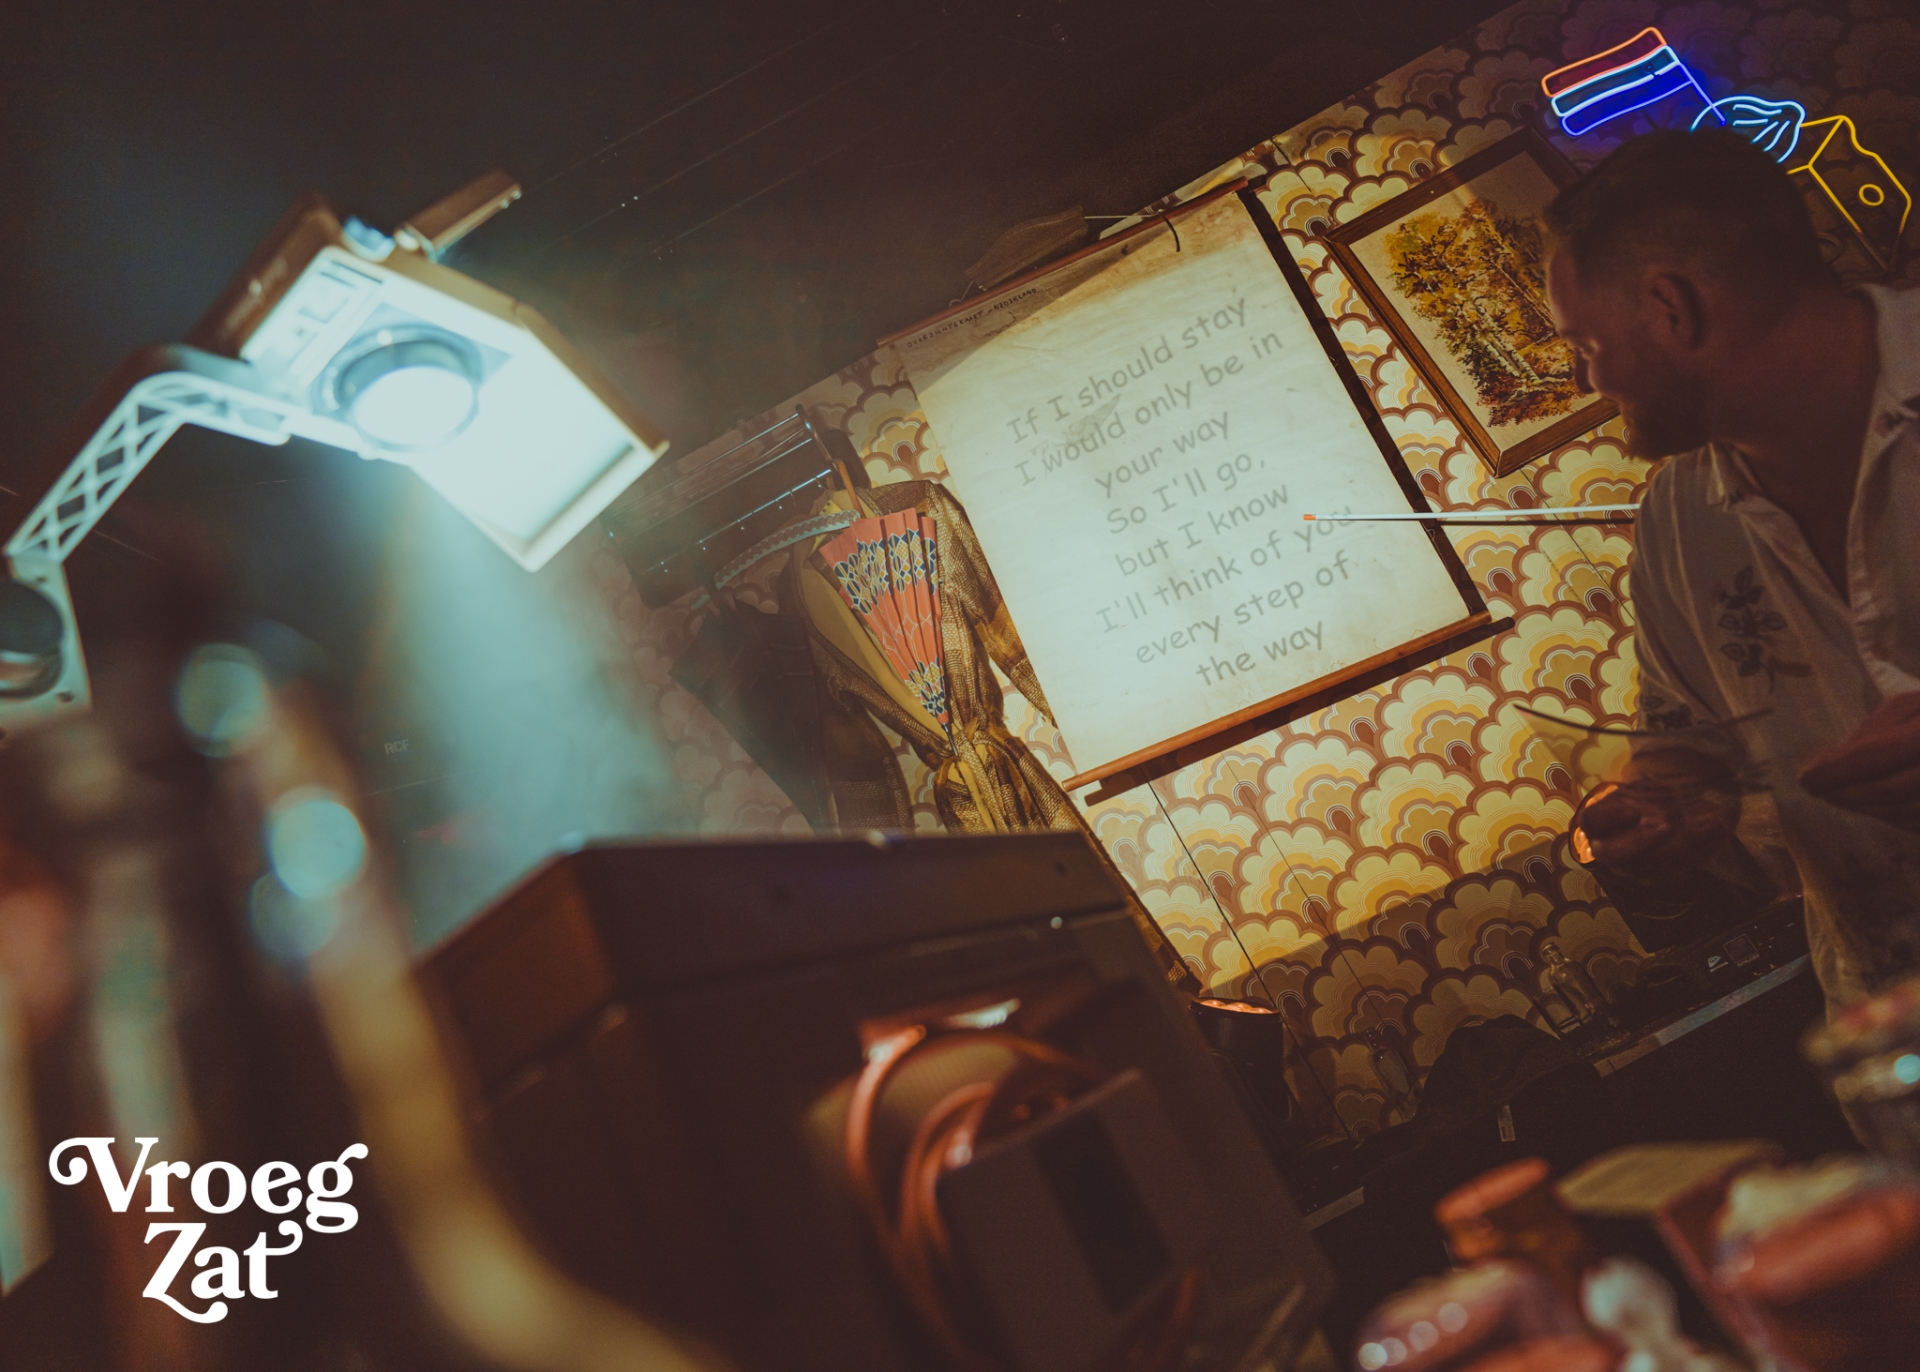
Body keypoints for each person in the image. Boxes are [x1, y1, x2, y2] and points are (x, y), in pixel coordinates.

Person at [1543, 127, 1920, 1014]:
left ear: (1671, 309)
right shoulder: (1678, 521)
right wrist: (1662, 813)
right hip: (1892, 1033)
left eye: (1586, 344)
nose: (1590, 379)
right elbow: (1684, 746)